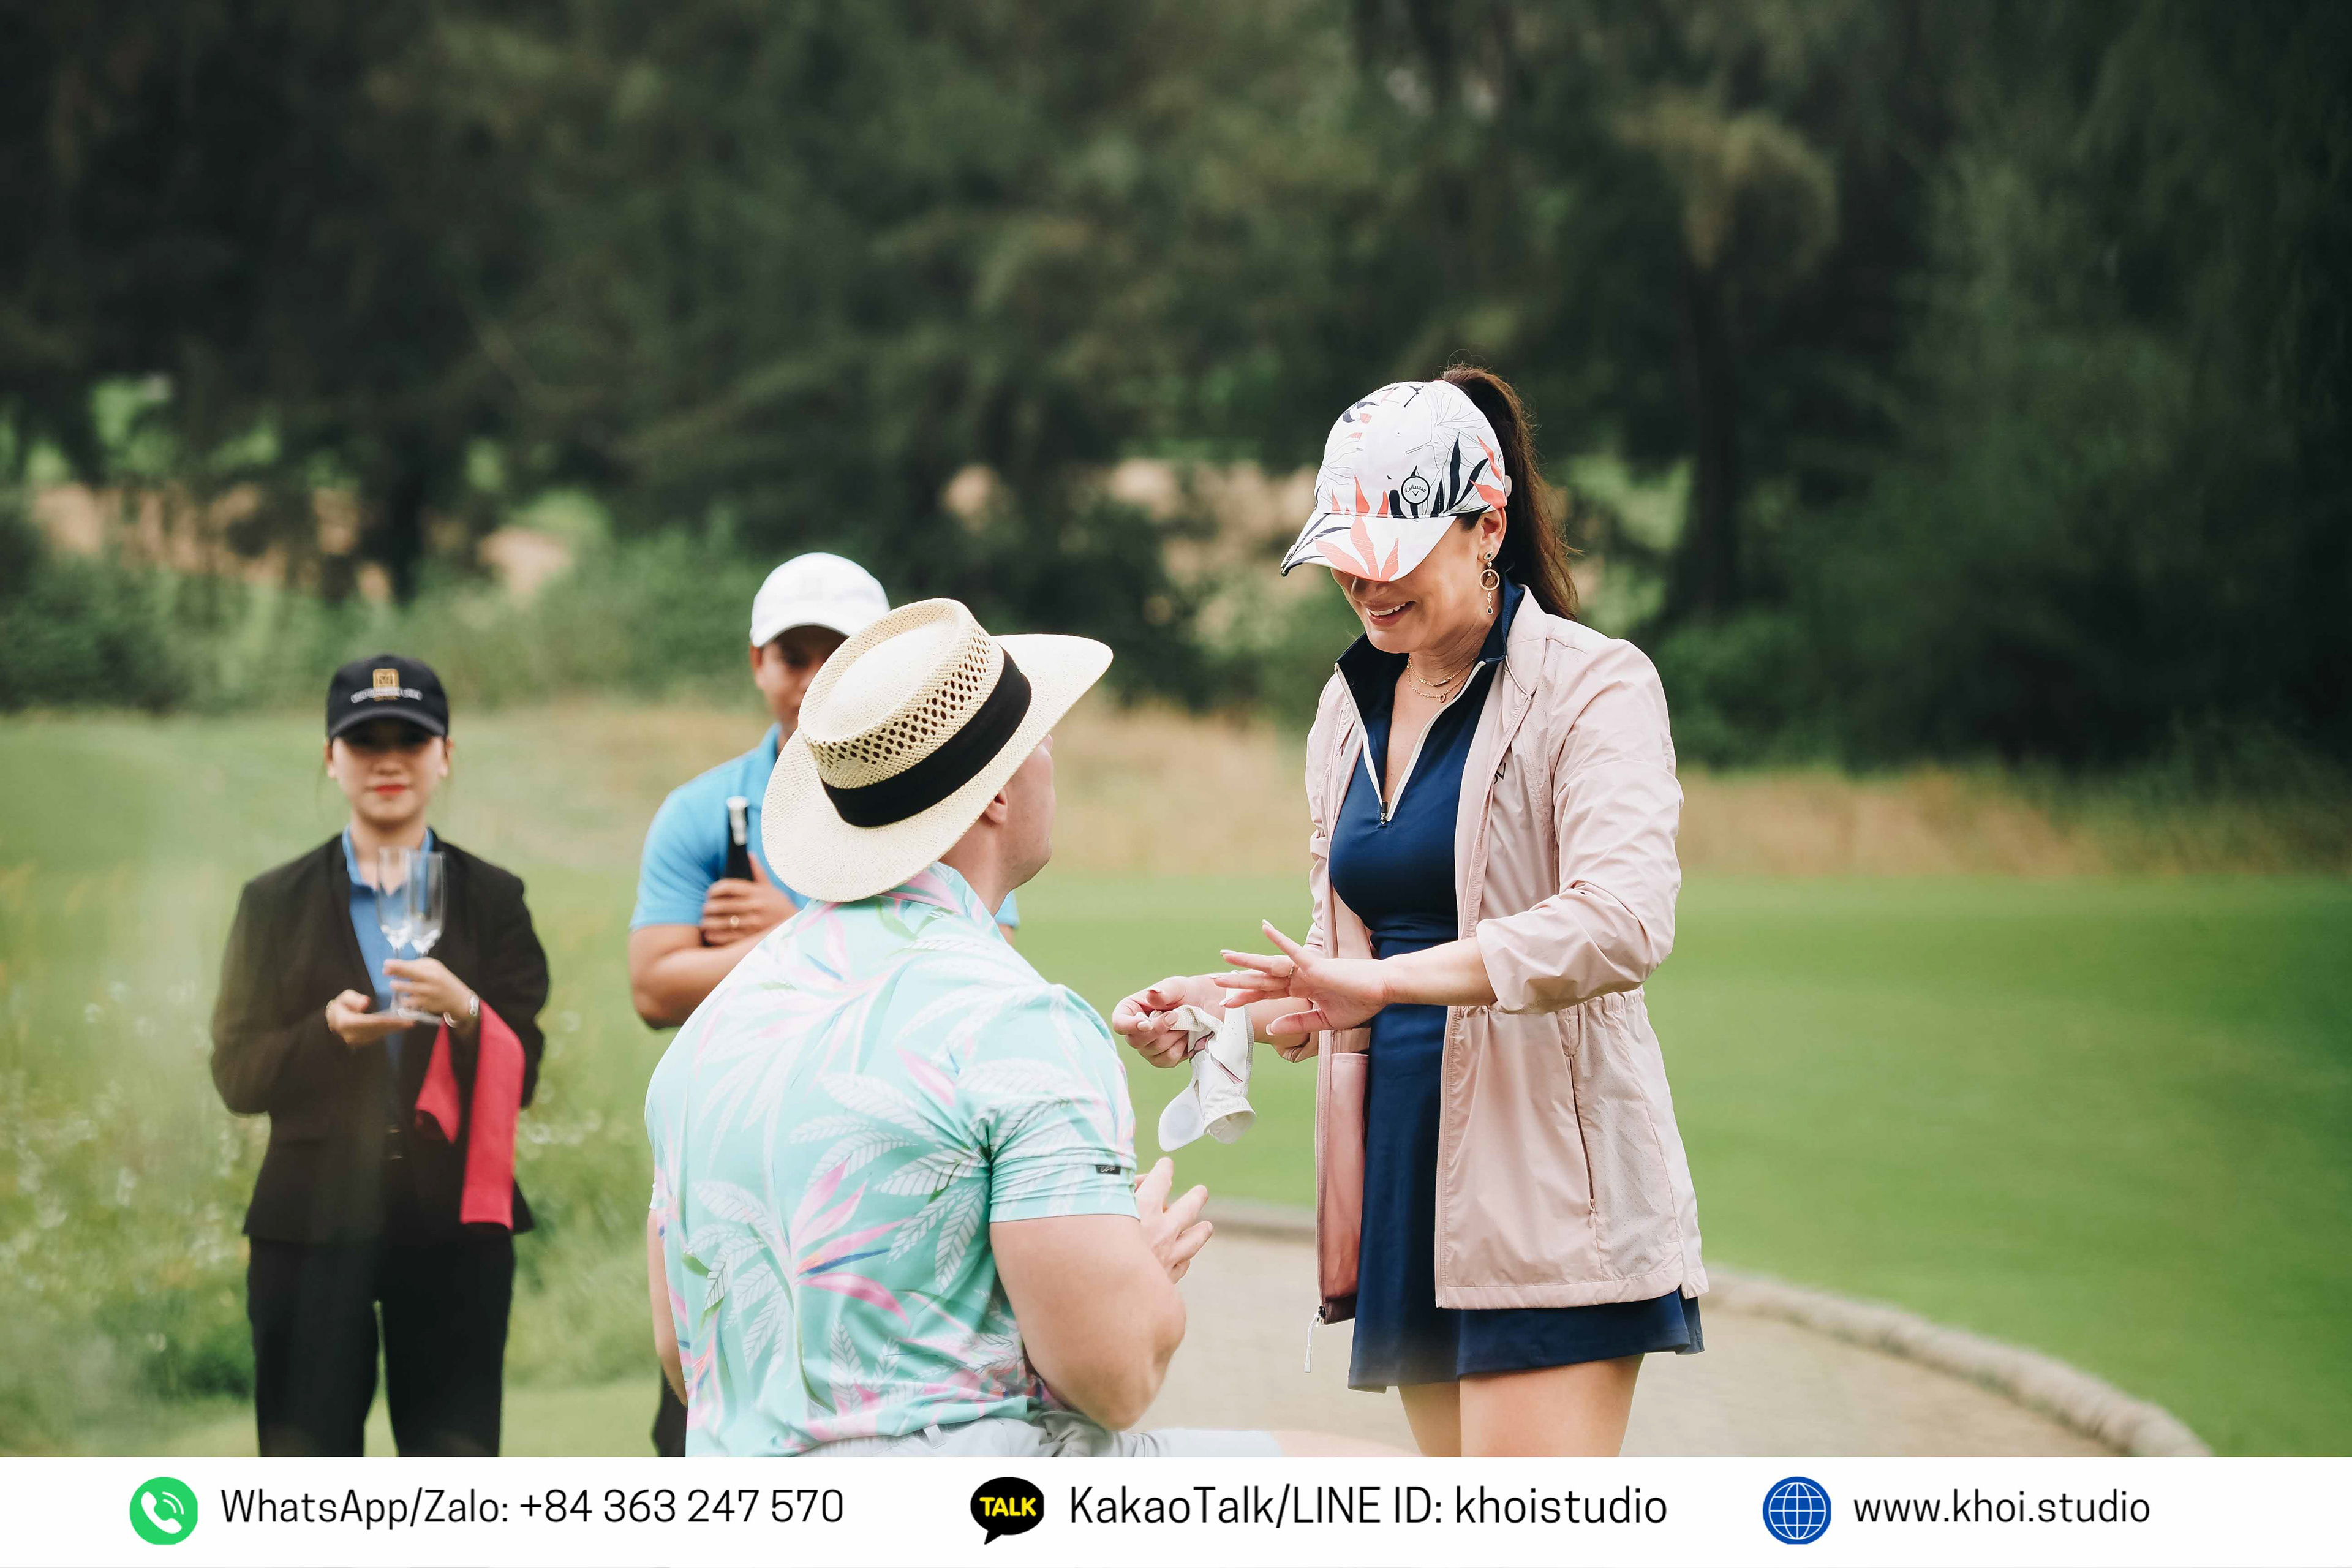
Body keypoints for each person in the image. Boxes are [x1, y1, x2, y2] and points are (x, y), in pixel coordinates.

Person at [1113, 369, 1706, 1458]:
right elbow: (1339, 971)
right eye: (1343, 552)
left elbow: (1622, 921)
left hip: (1548, 1186)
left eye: (1391, 553)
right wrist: (1222, 1011)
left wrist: (1385, 983)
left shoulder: (1596, 686)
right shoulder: (1347, 707)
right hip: (1403, 1176)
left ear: (1488, 525)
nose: (1361, 581)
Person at [643, 600, 1381, 1457]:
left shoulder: (712, 1029)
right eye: (1038, 735)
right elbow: (1114, 1378)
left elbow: (679, 1353)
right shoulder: (1012, 1022)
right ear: (994, 795)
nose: (1052, 753)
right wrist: (1136, 1269)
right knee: (1387, 1491)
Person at [625, 551, 1021, 1452]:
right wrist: (801, 936)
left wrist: (774, 930)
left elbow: (972, 964)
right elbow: (653, 983)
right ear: (756, 662)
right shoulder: (701, 808)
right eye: (790, 656)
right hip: (741, 1157)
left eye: (832, 656)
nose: (808, 683)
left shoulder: (942, 790)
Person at [210, 653, 548, 1456]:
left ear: (446, 755)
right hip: (308, 1226)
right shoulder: (273, 903)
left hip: (456, 1231)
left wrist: (468, 1011)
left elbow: (523, 1072)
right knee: (306, 1472)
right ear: (331, 758)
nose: (389, 759)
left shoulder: (494, 897)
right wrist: (327, 1035)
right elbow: (235, 1073)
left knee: (454, 1474)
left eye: (412, 737)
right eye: (366, 740)